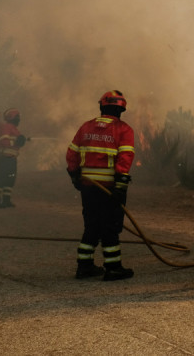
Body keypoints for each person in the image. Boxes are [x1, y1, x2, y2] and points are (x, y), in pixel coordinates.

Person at [66, 90, 135, 281]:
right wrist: (121, 183)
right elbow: (126, 157)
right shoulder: (124, 129)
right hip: (110, 188)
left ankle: (84, 266)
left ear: (101, 107)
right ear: (121, 110)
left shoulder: (86, 127)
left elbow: (71, 154)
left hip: (88, 186)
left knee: (91, 225)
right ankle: (113, 268)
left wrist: (74, 175)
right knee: (110, 227)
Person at [0, 108, 27, 208]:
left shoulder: (14, 129)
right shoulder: (6, 128)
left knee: (10, 180)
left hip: (11, 157)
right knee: (1, 179)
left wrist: (20, 140)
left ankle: (6, 200)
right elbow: (4, 142)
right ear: (12, 118)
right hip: (5, 157)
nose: (18, 120)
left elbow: (16, 142)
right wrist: (17, 142)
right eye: (17, 117)